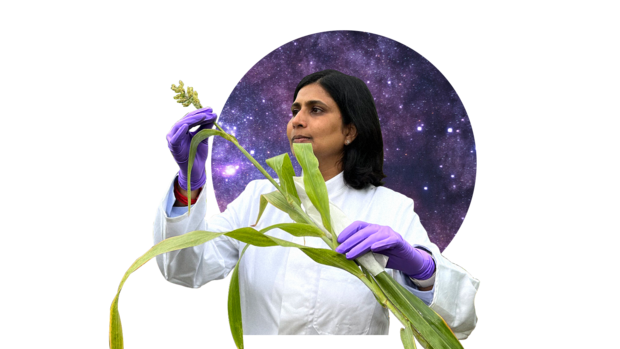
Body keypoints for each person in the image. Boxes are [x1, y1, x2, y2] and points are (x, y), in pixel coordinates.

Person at [153, 69, 481, 338]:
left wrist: (421, 270)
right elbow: (183, 268)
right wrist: (189, 185)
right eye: (295, 110)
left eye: (316, 110)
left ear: (350, 131)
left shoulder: (391, 208)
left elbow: (457, 323)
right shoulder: (260, 197)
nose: (297, 119)